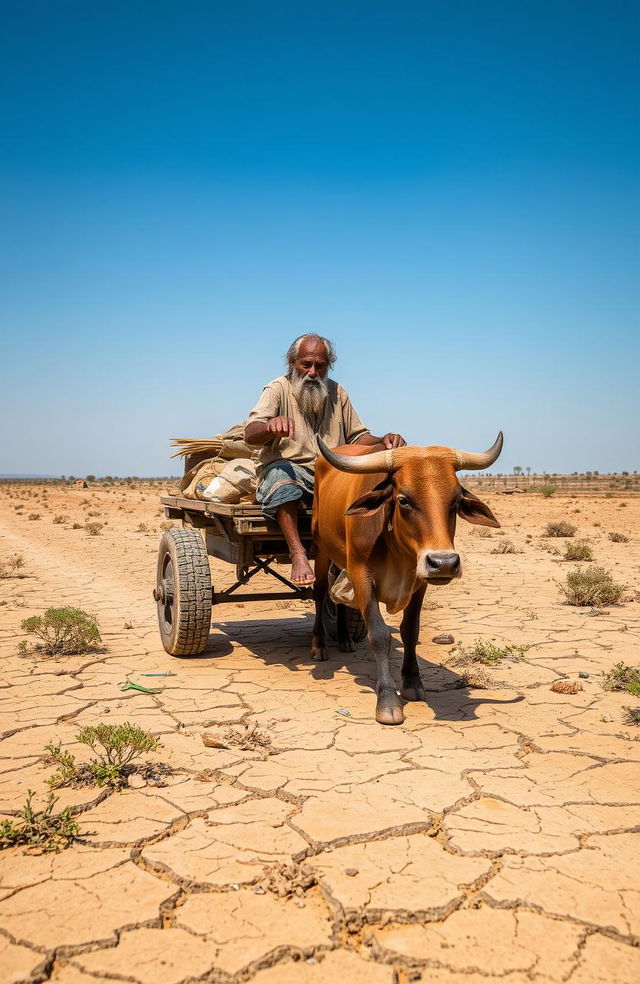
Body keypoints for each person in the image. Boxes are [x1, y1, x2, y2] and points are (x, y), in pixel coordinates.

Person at [245, 334, 406, 586]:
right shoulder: (277, 389)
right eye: (306, 364)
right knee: (280, 477)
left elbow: (358, 436)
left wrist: (382, 440)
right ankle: (298, 552)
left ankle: (364, 556)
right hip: (292, 470)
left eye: (319, 366)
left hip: (331, 473)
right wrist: (269, 427)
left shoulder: (337, 392)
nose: (312, 372)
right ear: (292, 362)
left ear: (327, 365)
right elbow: (250, 433)